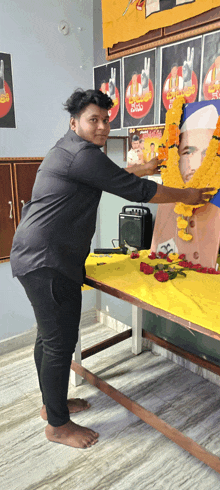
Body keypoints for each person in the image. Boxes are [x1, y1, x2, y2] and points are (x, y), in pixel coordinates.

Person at [10, 89, 213, 450]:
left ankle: (51, 407)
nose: (102, 127)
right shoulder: (82, 155)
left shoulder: (71, 149)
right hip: (49, 261)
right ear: (75, 122)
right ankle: (57, 425)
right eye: (94, 120)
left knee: (49, 337)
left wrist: (147, 168)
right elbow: (135, 191)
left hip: (38, 255)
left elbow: (115, 176)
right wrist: (186, 195)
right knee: (59, 344)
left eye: (106, 120)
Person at [151, 103, 220, 266]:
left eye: (207, 154)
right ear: (175, 158)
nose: (197, 164)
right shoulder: (167, 205)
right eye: (188, 152)